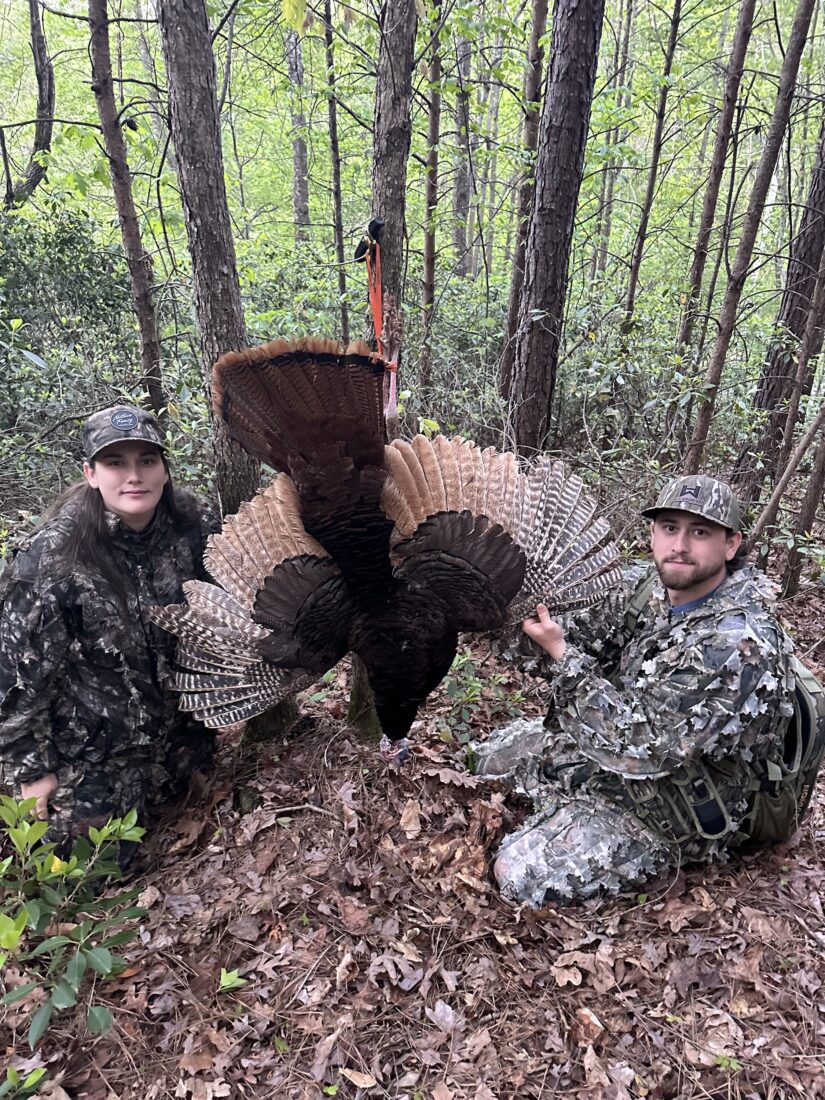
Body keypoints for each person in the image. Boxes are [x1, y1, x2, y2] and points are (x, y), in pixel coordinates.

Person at [475, 474, 799, 907]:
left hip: (684, 802)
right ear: (652, 533)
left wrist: (562, 656)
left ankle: (591, 820)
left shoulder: (736, 642)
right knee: (484, 760)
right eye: (670, 528)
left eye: (700, 532)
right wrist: (497, 618)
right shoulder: (647, 587)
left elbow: (639, 747)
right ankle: (564, 801)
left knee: (516, 874)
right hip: (622, 749)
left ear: (731, 545)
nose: (680, 545)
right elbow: (573, 635)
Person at [0, 405, 218, 853]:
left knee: (205, 817)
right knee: (92, 866)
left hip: (182, 735)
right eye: (115, 462)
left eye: (146, 460)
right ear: (91, 473)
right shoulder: (50, 558)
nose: (133, 475)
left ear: (164, 469)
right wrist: (32, 772)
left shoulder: (194, 526)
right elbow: (16, 679)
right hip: (94, 755)